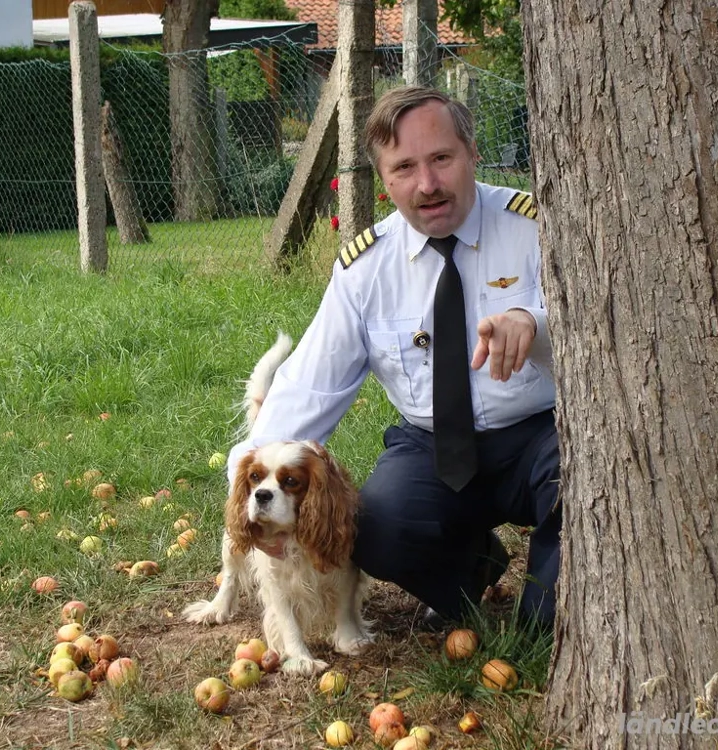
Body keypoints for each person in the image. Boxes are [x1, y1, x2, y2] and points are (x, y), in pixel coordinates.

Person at [228, 85, 561, 629]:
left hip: (538, 436)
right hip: (433, 447)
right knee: (374, 527)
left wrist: (536, 326)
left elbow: (605, 338)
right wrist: (246, 494)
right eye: (403, 168)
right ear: (383, 181)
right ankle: (472, 571)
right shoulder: (365, 269)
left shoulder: (535, 229)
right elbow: (307, 389)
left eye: (441, 159)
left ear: (472, 153)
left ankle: (542, 620)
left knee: (582, 480)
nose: (426, 185)